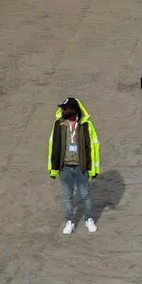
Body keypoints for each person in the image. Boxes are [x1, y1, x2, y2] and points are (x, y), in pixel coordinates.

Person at [48, 97, 101, 234]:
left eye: (65, 109)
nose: (62, 111)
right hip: (64, 167)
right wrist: (52, 169)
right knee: (67, 195)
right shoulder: (58, 124)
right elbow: (52, 146)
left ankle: (89, 219)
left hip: (80, 166)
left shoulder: (86, 125)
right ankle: (70, 221)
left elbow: (94, 147)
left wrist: (94, 169)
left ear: (73, 110)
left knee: (85, 194)